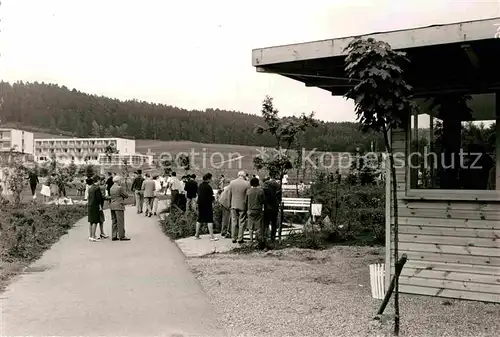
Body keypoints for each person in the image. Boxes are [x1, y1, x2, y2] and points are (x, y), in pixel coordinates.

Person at [195, 173, 218, 241]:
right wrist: (214, 199)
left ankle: (196, 234)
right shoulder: (208, 187)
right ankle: (212, 236)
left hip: (200, 204)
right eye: (210, 178)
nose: (211, 179)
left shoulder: (200, 185)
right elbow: (211, 196)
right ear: (208, 179)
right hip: (207, 205)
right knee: (209, 220)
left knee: (200, 219)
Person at [228, 170, 249, 244]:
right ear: (244, 176)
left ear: (238, 175)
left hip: (233, 204)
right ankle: (240, 238)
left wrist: (229, 204)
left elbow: (229, 194)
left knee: (234, 221)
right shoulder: (247, 184)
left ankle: (233, 237)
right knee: (242, 222)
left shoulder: (232, 182)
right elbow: (247, 196)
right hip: (242, 205)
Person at [109, 176, 131, 241]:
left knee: (114, 221)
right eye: (120, 180)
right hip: (119, 205)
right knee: (120, 221)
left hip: (112, 205)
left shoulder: (111, 188)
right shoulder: (120, 188)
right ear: (118, 181)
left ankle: (114, 235)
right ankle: (122, 236)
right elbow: (126, 195)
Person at [263, 175, 281, 242]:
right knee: (274, 223)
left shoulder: (266, 184)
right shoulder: (278, 185)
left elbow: (264, 196)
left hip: (267, 207)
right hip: (275, 207)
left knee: (266, 223)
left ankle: (266, 237)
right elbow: (279, 197)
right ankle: (273, 237)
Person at [246, 177, 265, 243]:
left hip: (250, 210)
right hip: (258, 210)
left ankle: (251, 240)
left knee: (250, 226)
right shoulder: (261, 191)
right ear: (258, 183)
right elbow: (263, 201)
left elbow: (245, 201)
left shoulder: (248, 191)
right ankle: (257, 240)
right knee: (258, 226)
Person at [87, 176, 104, 242]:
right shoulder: (97, 188)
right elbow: (98, 198)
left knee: (91, 221)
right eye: (100, 180)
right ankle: (94, 236)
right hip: (95, 206)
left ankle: (91, 236)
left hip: (90, 205)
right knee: (95, 221)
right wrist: (100, 206)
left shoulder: (90, 188)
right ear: (98, 180)